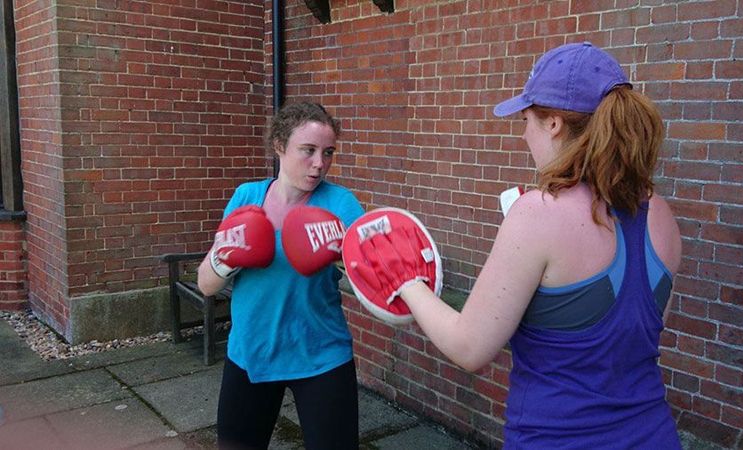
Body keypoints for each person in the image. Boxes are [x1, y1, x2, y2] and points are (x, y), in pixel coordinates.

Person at [352, 42, 683, 449]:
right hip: (654, 436)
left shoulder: (538, 212)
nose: (524, 133)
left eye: (527, 119)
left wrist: (406, 281)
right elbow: (627, 336)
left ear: (554, 124)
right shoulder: (661, 215)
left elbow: (469, 347)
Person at [197, 102, 365, 449]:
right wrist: (228, 258)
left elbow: (368, 285)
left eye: (328, 152)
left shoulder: (341, 204)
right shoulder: (248, 197)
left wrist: (341, 258)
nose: (320, 163)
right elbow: (206, 284)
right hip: (251, 352)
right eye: (308, 150)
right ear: (279, 146)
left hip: (321, 355)